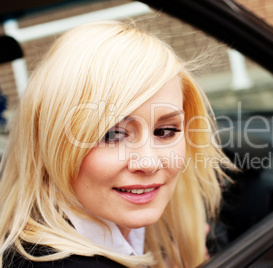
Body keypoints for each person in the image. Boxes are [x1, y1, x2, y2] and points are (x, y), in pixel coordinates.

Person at [0, 20, 232, 267]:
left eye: (165, 131)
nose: (149, 162)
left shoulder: (155, 228)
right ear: (52, 143)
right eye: (112, 135)